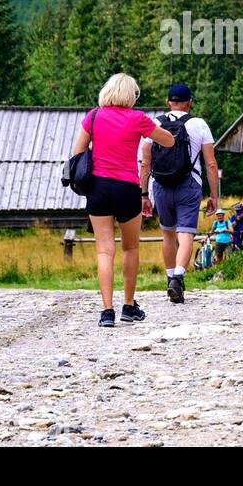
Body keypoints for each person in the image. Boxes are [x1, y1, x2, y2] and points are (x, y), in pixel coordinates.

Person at [70, 72, 175, 328]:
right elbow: (169, 141)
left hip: (98, 187)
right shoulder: (138, 119)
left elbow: (77, 152)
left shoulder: (93, 116)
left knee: (104, 250)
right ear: (131, 95)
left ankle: (107, 312)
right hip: (128, 188)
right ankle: (129, 306)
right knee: (130, 247)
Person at [139, 83, 219, 304]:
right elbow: (211, 164)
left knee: (168, 234)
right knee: (186, 235)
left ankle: (169, 277)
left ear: (168, 102)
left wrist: (144, 194)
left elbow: (145, 164)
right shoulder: (199, 124)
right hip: (189, 184)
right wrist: (214, 196)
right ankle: (178, 277)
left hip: (161, 185)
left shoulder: (154, 124)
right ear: (189, 102)